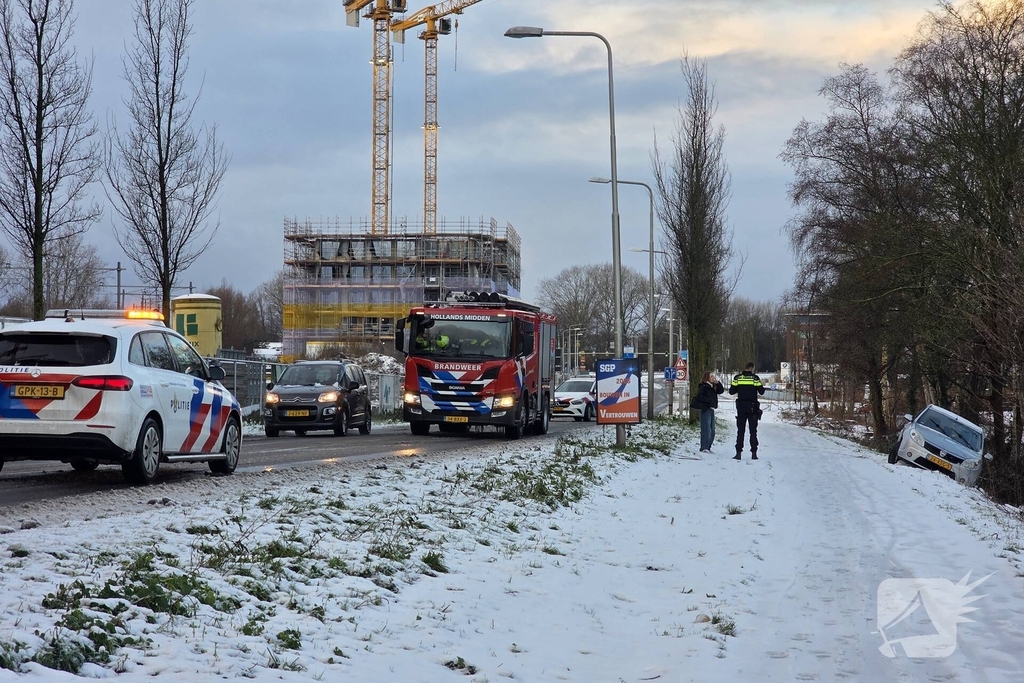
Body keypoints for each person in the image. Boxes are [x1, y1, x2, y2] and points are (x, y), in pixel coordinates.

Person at [729, 361, 765, 460]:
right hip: (752, 407)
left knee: (740, 430)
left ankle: (738, 453)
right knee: (753, 431)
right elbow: (761, 391)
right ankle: (754, 453)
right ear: (752, 368)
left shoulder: (737, 378)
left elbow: (731, 391)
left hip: (741, 407)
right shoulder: (755, 378)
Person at [695, 371, 725, 453]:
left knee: (712, 431)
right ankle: (704, 447)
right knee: (706, 429)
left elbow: (721, 391)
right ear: (707, 378)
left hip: (712, 409)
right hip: (706, 409)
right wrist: (709, 401)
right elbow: (699, 396)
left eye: (713, 376)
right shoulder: (704, 387)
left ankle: (708, 447)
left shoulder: (712, 387)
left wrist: (717, 383)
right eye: (711, 376)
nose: (713, 378)